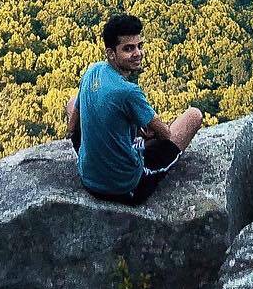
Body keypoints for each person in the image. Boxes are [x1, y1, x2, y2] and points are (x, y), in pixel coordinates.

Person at [65, 13, 204, 205]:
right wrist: (149, 133)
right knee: (193, 116)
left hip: (87, 176)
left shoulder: (92, 71)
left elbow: (73, 123)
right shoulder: (129, 92)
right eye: (128, 49)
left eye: (139, 46)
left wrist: (89, 137)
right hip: (123, 187)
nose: (137, 53)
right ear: (111, 53)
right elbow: (165, 135)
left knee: (72, 101)